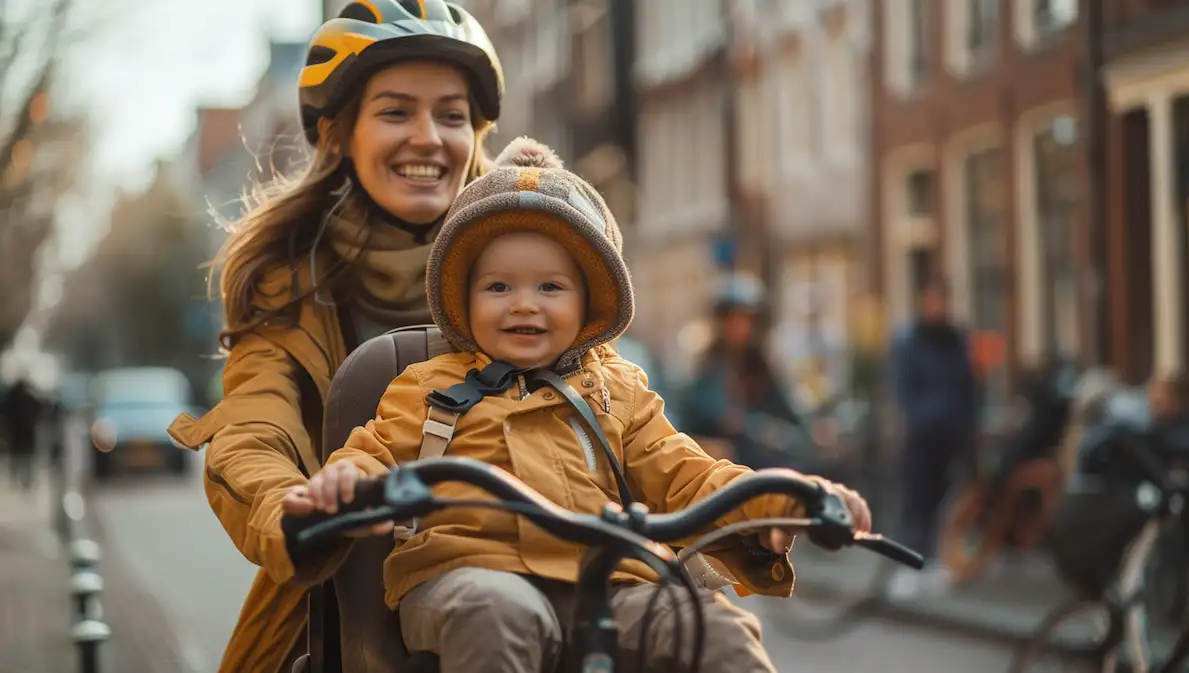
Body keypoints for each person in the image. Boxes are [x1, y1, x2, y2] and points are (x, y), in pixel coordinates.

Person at [292, 137, 872, 673]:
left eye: (550, 287)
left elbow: (689, 474)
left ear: (588, 300)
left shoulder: (618, 390)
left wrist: (781, 499)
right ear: (462, 296)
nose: (524, 305)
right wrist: (340, 482)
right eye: (498, 287)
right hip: (469, 572)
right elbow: (372, 453)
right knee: (497, 615)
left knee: (715, 629)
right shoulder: (427, 386)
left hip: (611, 581)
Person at [165, 2, 504, 672]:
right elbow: (253, 423)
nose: (429, 137)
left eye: (452, 114)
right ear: (336, 133)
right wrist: (286, 502)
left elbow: (613, 407)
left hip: (533, 586)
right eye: (396, 111)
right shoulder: (292, 282)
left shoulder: (536, 262)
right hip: (348, 612)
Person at [886, 276, 980, 599]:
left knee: (944, 500)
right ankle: (908, 565)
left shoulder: (956, 341)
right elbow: (904, 389)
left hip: (950, 435)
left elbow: (968, 386)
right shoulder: (910, 342)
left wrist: (966, 424)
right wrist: (923, 417)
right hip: (921, 437)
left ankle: (937, 562)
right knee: (916, 502)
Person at [678, 274, 829, 471]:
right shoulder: (707, 364)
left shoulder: (760, 363)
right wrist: (759, 428)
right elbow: (718, 413)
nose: (741, 328)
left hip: (762, 458)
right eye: (734, 320)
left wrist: (811, 428)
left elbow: (786, 405)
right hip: (720, 462)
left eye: (747, 320)